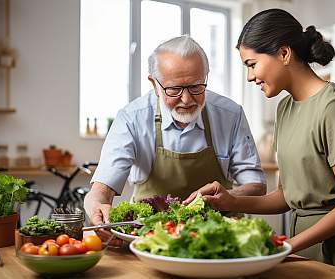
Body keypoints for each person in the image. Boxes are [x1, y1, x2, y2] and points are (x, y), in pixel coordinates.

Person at [183, 9, 335, 279]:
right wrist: (229, 200)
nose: (250, 77)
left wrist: (285, 246)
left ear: (284, 54)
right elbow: (286, 196)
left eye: (252, 64)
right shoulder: (284, 108)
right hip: (305, 249)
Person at [84, 35, 267, 242]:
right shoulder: (132, 118)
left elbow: (257, 187)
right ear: (154, 84)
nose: (187, 99)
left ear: (205, 77)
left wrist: (221, 199)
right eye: (174, 90)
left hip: (220, 237)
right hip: (150, 238)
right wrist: (98, 208)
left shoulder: (229, 114)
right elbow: (102, 189)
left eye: (196, 86)